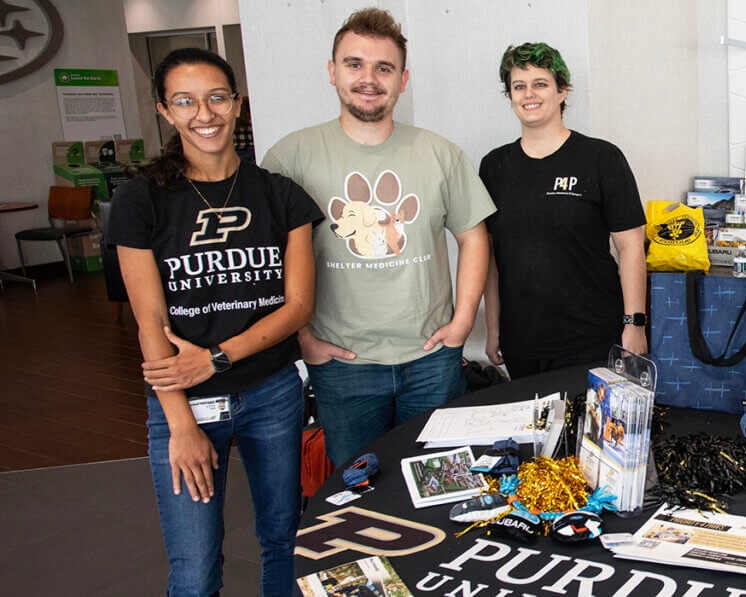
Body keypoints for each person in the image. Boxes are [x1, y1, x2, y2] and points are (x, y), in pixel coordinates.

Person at [106, 48, 323, 596]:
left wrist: (217, 357)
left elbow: (297, 306)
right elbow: (150, 322)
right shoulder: (141, 199)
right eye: (185, 101)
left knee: (283, 540)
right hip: (183, 403)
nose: (204, 113)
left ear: (237, 104)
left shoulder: (281, 195)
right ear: (165, 111)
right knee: (195, 565)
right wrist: (180, 425)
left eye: (216, 97)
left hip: (272, 393)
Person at [262, 8, 494, 468]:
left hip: (431, 359)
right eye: (354, 64)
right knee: (356, 489)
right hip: (342, 366)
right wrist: (302, 336)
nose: (368, 78)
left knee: (439, 483)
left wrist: (464, 321)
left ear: (402, 80)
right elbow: (271, 258)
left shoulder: (439, 153)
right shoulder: (289, 157)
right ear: (332, 72)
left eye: (383, 68)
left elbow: (475, 237)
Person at [479, 42, 647, 379]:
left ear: (562, 91)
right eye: (518, 86)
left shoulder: (601, 159)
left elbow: (631, 248)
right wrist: (493, 326)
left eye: (540, 83)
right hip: (522, 342)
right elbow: (490, 258)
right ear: (510, 95)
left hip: (593, 339)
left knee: (591, 431)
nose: (529, 94)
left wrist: (635, 325)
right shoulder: (494, 166)